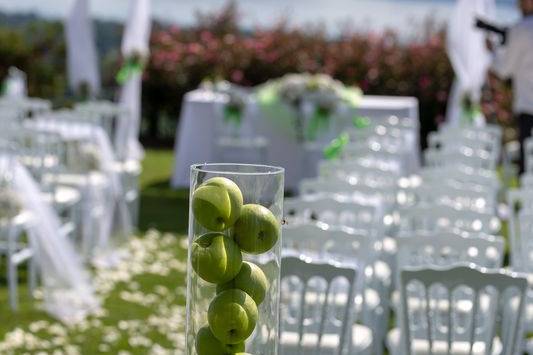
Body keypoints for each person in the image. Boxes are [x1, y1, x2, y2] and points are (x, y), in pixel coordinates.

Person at [488, 0, 533, 173]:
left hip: (528, 106)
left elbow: (504, 69)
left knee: (527, 168)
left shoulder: (520, 29)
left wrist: (493, 51)